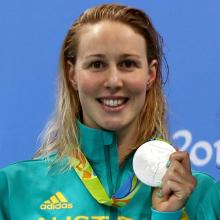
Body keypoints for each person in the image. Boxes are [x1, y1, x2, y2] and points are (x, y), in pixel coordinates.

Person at [0, 3, 216, 220]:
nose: (113, 81)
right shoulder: (13, 191)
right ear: (72, 74)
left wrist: (167, 216)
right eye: (96, 64)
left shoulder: (202, 198)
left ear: (150, 74)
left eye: (128, 63)